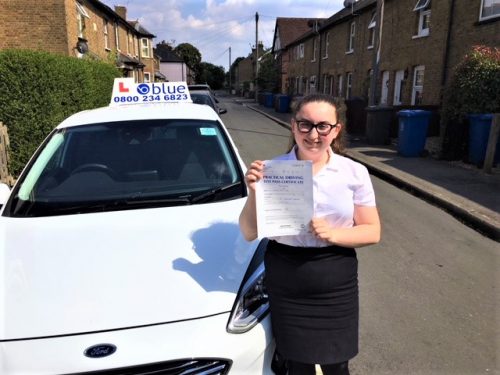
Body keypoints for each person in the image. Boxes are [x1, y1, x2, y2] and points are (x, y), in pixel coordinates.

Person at [239, 94, 381, 375]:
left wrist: (334, 233)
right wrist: (254, 193)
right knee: (297, 363)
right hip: (287, 277)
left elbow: (372, 231)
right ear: (293, 127)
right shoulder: (271, 170)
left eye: (323, 126)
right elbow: (248, 232)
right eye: (305, 125)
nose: (313, 134)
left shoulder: (354, 173)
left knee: (337, 364)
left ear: (336, 130)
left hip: (335, 278)